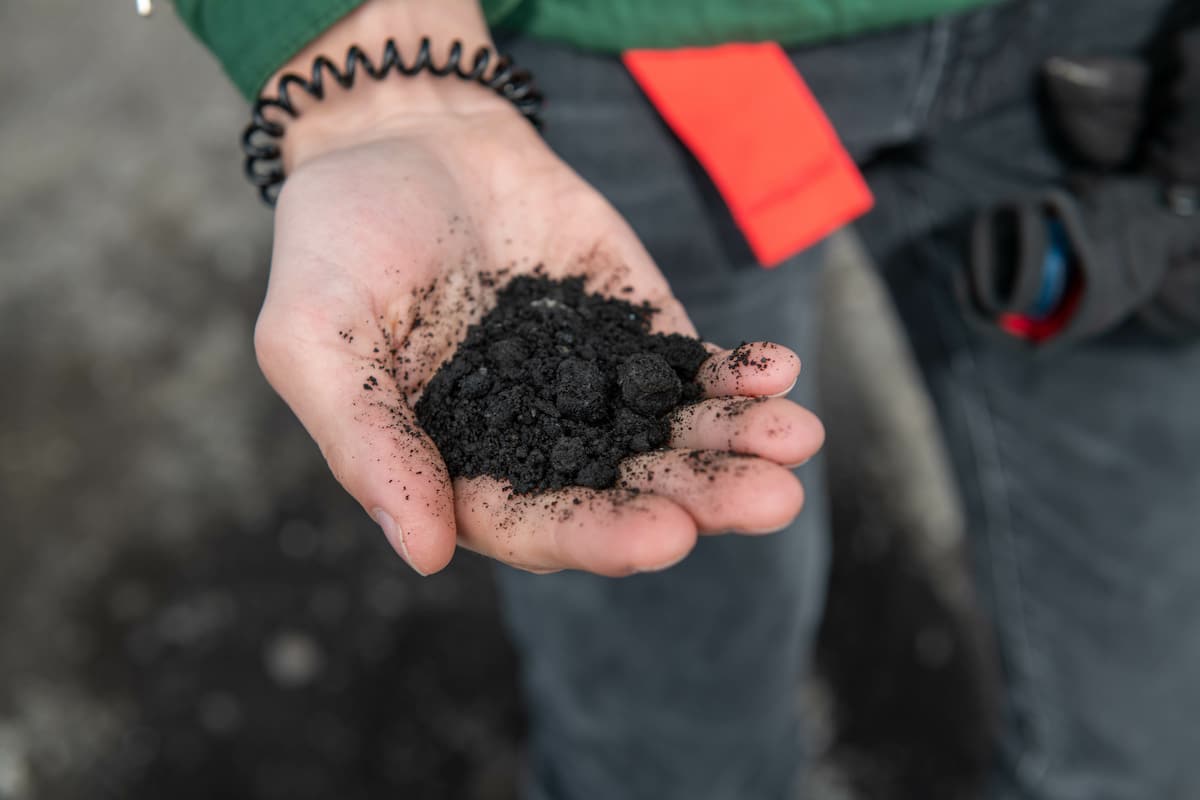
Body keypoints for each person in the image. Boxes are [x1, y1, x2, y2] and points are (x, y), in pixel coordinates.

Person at [174, 0, 1200, 797]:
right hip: (613, 63)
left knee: (1139, 716)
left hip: (1110, 54)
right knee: (671, 736)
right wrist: (368, 73)